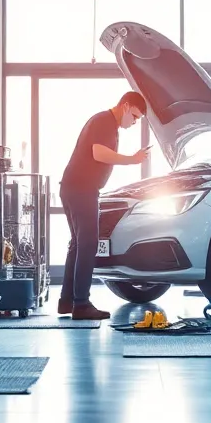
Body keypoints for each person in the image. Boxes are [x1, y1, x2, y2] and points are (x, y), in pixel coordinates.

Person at [58, 92, 151, 320]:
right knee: (88, 244)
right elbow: (98, 153)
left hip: (73, 187)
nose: (134, 123)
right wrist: (132, 159)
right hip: (81, 189)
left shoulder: (106, 123)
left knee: (78, 245)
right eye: (134, 116)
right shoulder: (104, 121)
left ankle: (67, 301)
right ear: (125, 106)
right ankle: (81, 304)